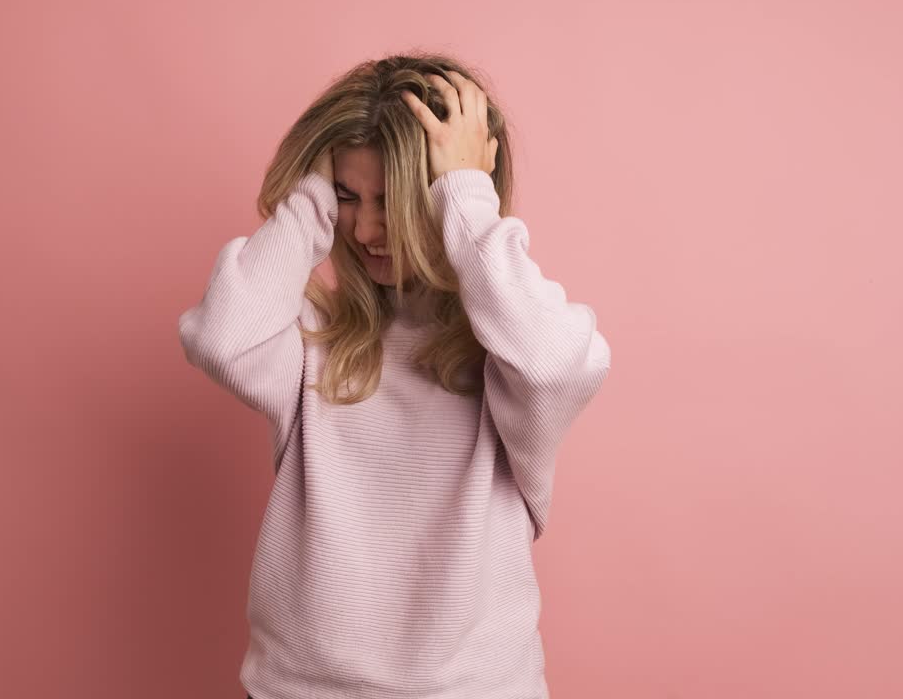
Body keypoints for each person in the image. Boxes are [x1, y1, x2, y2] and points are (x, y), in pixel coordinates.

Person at [179, 53, 610, 699]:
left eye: (394, 201)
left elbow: (556, 366)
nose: (366, 228)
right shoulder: (312, 335)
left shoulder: (504, 349)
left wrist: (467, 197)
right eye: (347, 197)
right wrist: (308, 201)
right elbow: (220, 337)